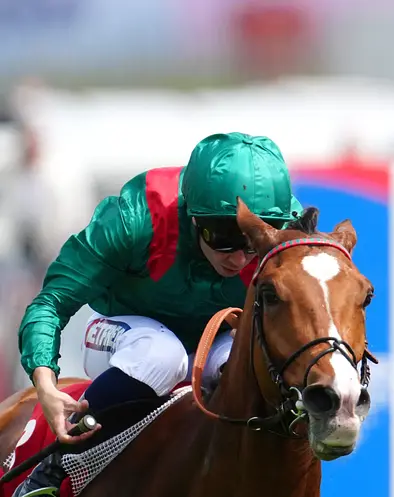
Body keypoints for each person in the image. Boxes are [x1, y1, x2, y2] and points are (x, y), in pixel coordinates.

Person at [17, 131, 303, 445]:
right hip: (123, 336)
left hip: (218, 340)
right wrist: (45, 384)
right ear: (193, 217)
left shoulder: (288, 229)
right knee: (162, 356)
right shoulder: (136, 219)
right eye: (223, 237)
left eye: (253, 241)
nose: (239, 258)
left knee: (252, 367)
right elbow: (50, 303)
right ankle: (60, 460)